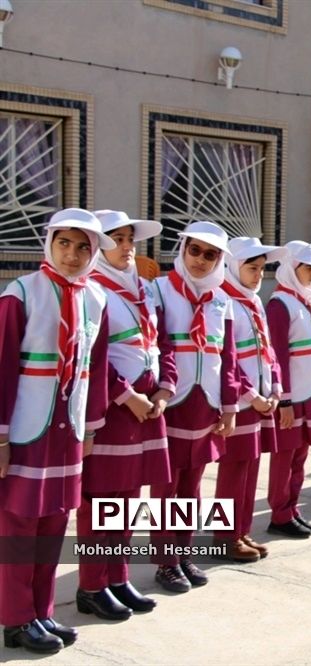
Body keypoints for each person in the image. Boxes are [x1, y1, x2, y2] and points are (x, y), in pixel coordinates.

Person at [0, 209, 113, 654]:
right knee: (18, 523)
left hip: (69, 428)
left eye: (84, 246)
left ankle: (42, 612)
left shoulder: (96, 298)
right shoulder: (22, 292)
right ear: (49, 244)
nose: (72, 254)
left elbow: (96, 368)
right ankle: (15, 618)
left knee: (54, 521)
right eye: (64, 243)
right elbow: (2, 366)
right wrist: (2, 437)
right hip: (27, 428)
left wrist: (91, 428)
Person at [77, 211, 170, 620]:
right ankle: (91, 585)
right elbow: (92, 357)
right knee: (101, 501)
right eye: (117, 238)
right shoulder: (91, 289)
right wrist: (126, 396)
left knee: (129, 497)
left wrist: (166, 388)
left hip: (147, 409)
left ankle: (118, 577)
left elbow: (161, 343)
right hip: (113, 410)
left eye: (130, 238)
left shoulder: (143, 289)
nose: (127, 246)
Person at [149, 221, 238, 593]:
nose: (201, 260)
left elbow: (228, 356)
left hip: (206, 402)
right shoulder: (158, 290)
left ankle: (184, 553)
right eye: (195, 250)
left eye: (210, 254)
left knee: (192, 485)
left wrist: (229, 406)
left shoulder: (222, 300)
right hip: (171, 402)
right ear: (182, 249)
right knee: (165, 486)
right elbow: (156, 345)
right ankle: (165, 561)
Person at [214, 237, 285, 562]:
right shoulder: (225, 301)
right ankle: (224, 537)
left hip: (260, 400)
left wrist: (275, 388)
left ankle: (241, 531)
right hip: (239, 402)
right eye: (251, 268)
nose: (258, 275)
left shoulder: (253, 301)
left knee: (250, 468)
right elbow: (226, 357)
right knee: (232, 472)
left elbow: (268, 351)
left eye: (261, 269)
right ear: (233, 267)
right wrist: (252, 395)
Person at [266, 241, 311, 538]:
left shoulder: (308, 299)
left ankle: (292, 509)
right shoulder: (280, 304)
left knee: (300, 454)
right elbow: (278, 355)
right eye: (309, 268)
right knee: (285, 455)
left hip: (310, 390)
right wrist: (285, 400)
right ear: (292, 268)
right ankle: (279, 514)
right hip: (292, 395)